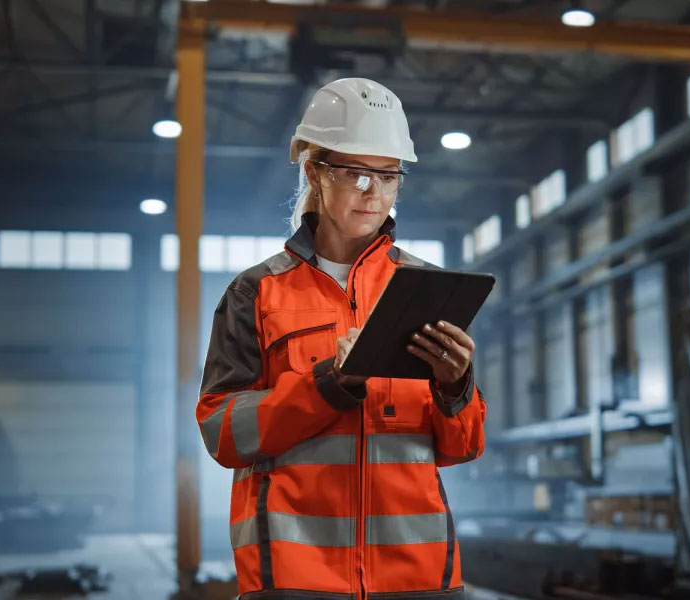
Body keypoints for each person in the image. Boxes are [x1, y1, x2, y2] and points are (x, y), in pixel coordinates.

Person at [196, 77, 486, 600]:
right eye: (355, 172)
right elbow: (223, 433)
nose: (372, 191)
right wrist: (329, 384)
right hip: (293, 575)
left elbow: (462, 446)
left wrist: (455, 387)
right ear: (314, 171)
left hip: (418, 577)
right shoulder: (256, 292)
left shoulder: (426, 290)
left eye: (387, 175)